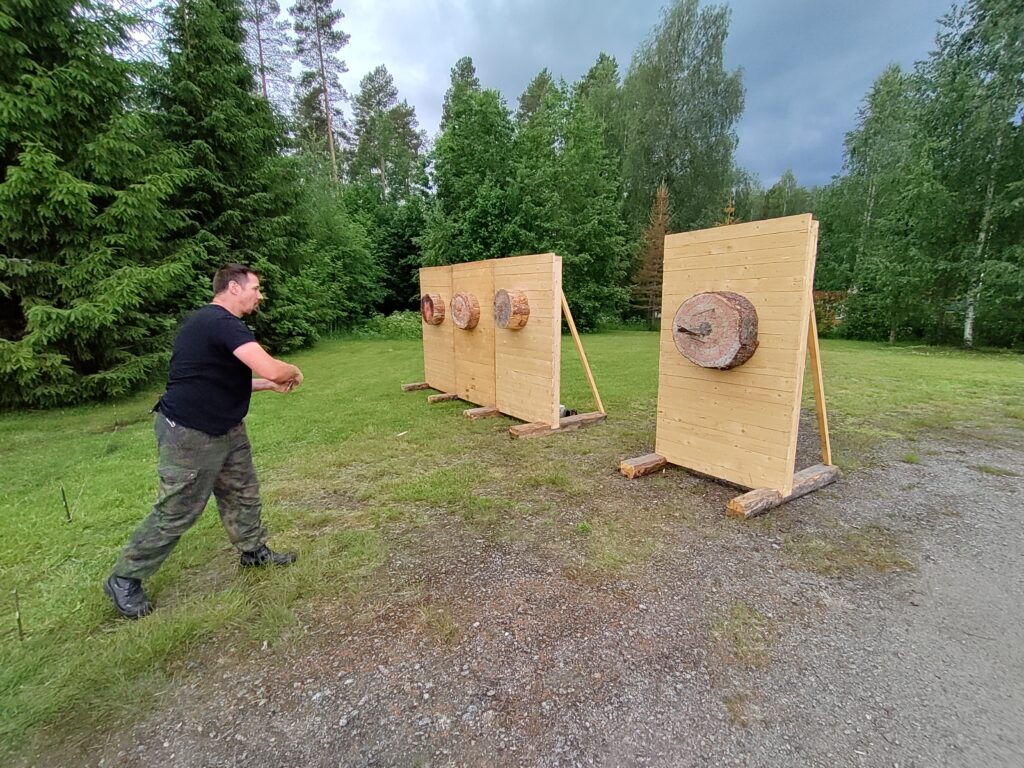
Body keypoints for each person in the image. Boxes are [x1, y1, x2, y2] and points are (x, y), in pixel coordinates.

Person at [105, 263, 304, 619]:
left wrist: (267, 386)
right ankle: (124, 578)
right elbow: (273, 367)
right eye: (256, 288)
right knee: (178, 509)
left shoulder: (213, 325)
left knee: (242, 490)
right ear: (233, 288)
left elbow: (217, 378)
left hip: (226, 428)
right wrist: (289, 373)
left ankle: (253, 551)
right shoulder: (219, 322)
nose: (260, 295)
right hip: (190, 433)